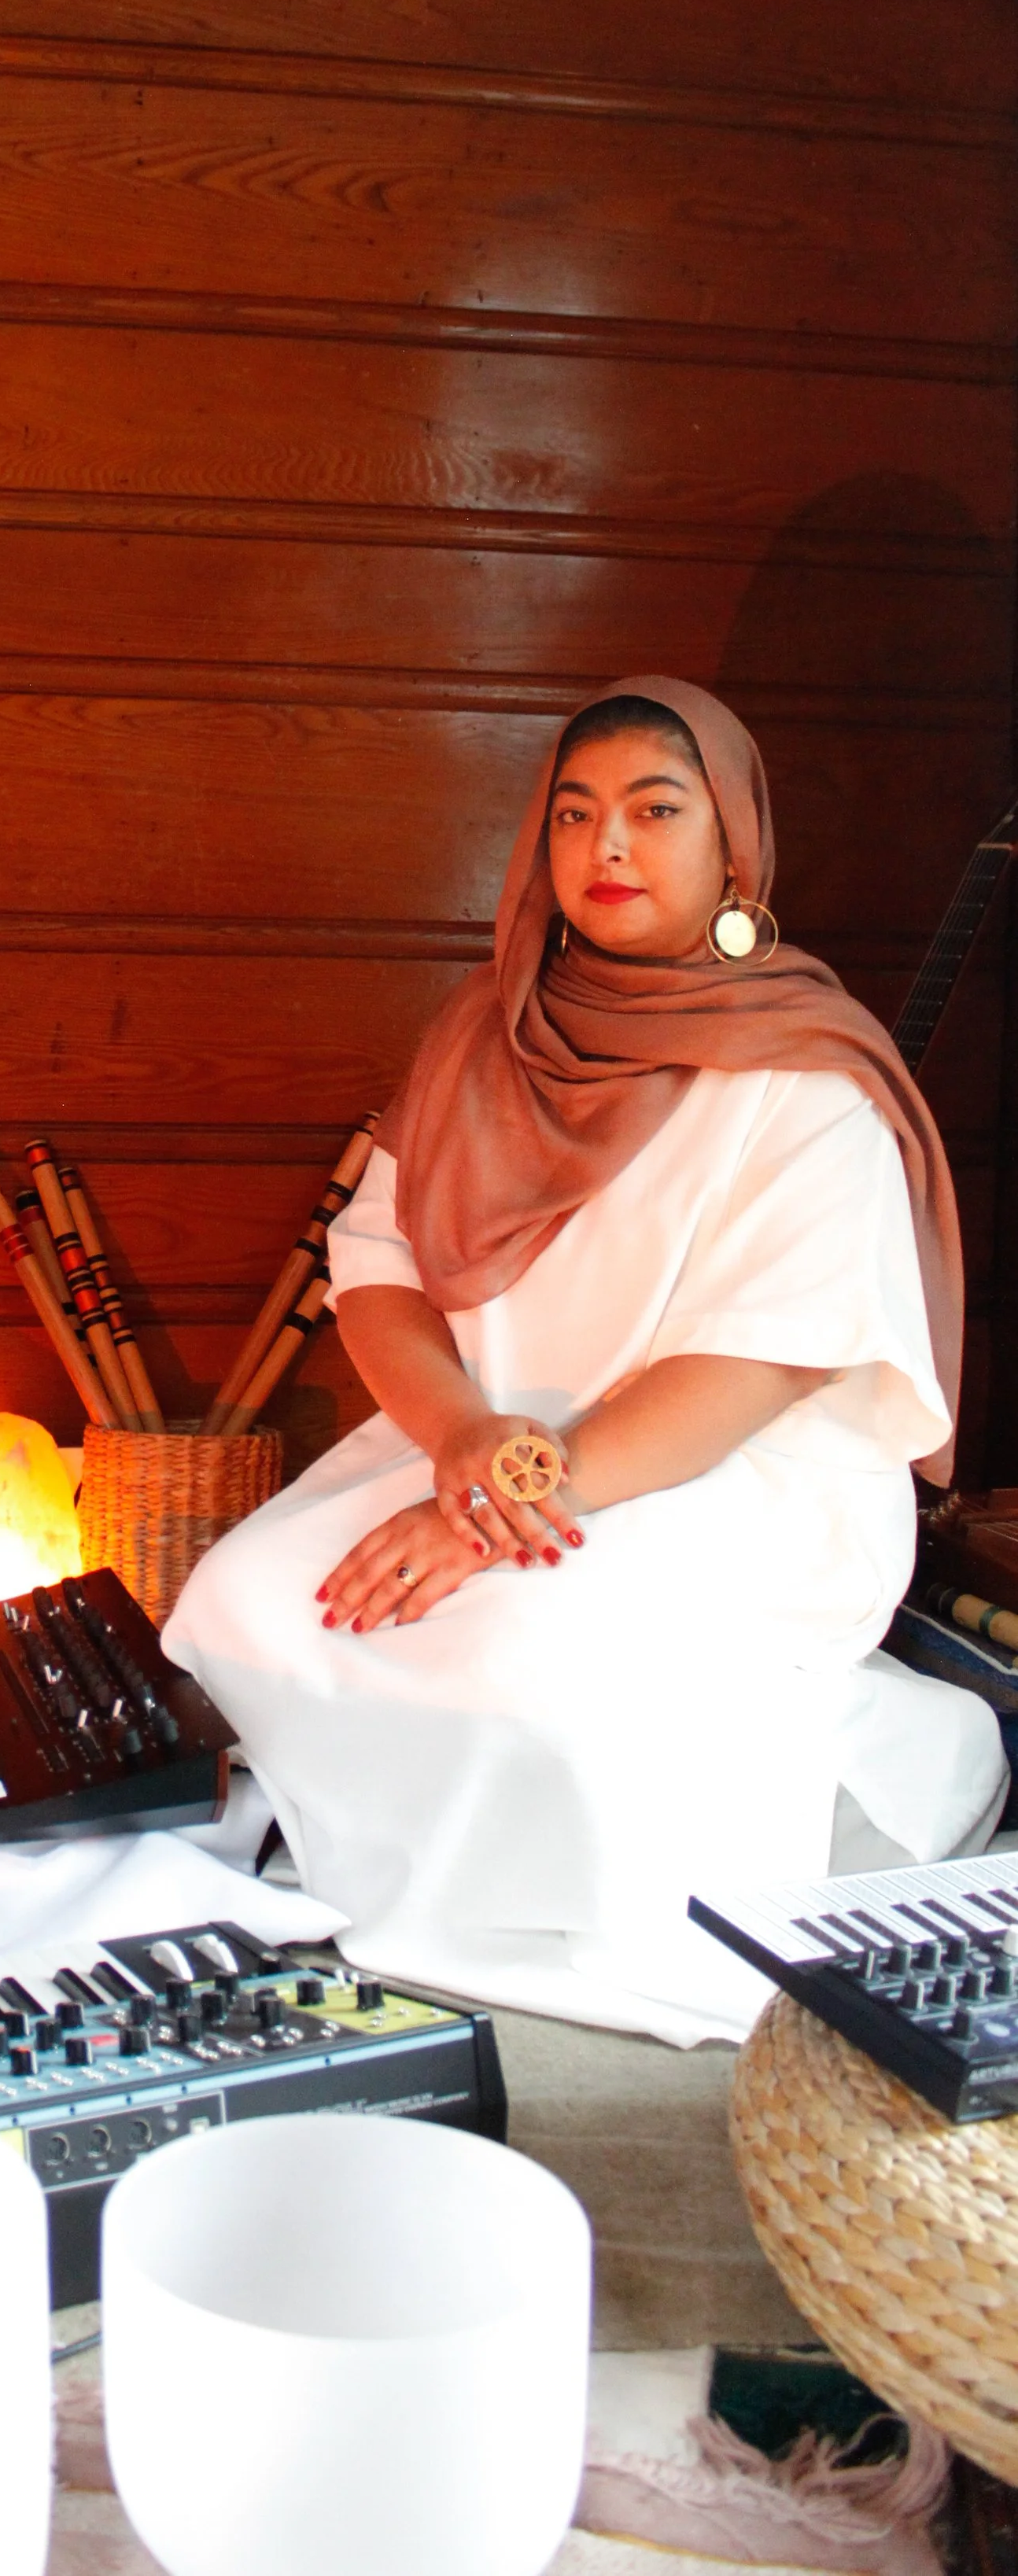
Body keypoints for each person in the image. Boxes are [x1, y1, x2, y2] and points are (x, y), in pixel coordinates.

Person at [166, 678, 1006, 2043]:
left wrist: (520, 1506)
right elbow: (375, 1272)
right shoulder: (482, 1037)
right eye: (575, 814)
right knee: (249, 1598)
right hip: (479, 1441)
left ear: (733, 846)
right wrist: (455, 1449)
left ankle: (577, 1899)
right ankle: (427, 1871)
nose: (607, 847)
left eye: (653, 811)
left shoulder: (809, 1076)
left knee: (522, 1646)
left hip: (724, 1476)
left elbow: (761, 1369)